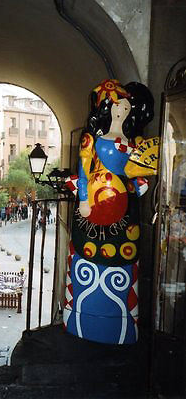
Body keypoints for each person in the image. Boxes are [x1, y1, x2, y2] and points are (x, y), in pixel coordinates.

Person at [64, 79, 157, 345]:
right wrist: (83, 200)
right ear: (106, 107)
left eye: (126, 106)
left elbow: (138, 168)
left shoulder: (135, 140)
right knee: (85, 252)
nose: (121, 110)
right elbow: (83, 172)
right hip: (93, 203)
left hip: (124, 205)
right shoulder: (91, 137)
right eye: (116, 105)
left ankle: (123, 318)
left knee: (126, 253)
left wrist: (145, 171)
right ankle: (81, 312)